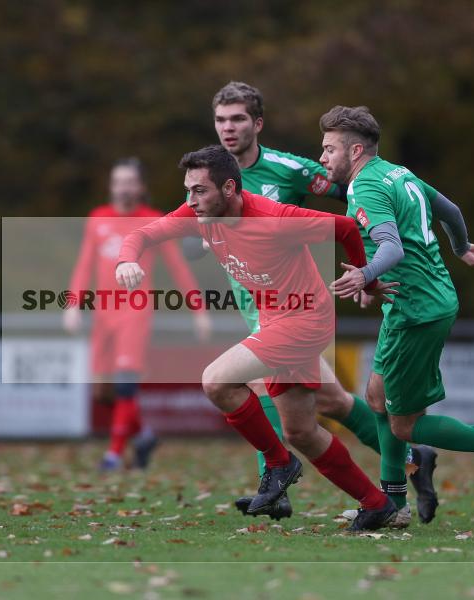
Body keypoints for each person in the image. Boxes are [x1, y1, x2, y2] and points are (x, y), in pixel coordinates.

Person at [116, 145, 401, 531]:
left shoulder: (274, 216)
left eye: (199, 190)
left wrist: (366, 278)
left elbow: (346, 228)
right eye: (188, 190)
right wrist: (127, 260)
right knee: (300, 430)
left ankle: (279, 465)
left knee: (216, 380)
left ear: (229, 188)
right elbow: (144, 235)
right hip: (275, 322)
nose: (191, 201)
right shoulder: (200, 214)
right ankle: (376, 503)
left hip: (305, 320)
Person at [200, 81, 437, 525]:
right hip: (255, 302)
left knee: (250, 384)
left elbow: (356, 196)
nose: (228, 128)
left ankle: (278, 485)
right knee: (330, 401)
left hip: (290, 307)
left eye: (237, 119)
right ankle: (411, 461)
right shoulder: (213, 176)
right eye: (220, 119)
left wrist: (370, 266)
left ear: (258, 124)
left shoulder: (288, 169)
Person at [319, 105, 474, 530]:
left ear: (356, 149)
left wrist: (363, 275)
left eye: (329, 149)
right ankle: (392, 503)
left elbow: (392, 250)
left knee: (405, 425)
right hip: (417, 301)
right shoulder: (397, 172)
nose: (324, 157)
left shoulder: (364, 187)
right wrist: (461, 248)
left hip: (414, 310)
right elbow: (451, 210)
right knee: (377, 398)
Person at [65, 158, 210, 471]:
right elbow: (84, 265)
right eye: (118, 182)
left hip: (135, 312)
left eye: (130, 182)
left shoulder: (153, 221)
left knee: (125, 385)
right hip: (103, 314)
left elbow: (177, 267)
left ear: (141, 187)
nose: (123, 188)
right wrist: (73, 304)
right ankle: (143, 436)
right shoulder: (97, 219)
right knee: (103, 392)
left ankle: (113, 455)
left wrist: (198, 310)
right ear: (111, 186)